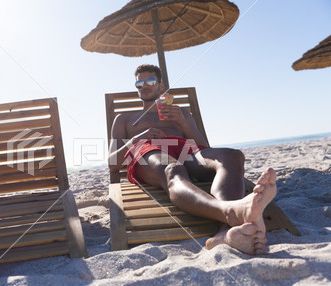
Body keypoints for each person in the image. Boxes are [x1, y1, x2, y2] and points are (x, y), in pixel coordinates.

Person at [108, 64, 277, 255]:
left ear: (161, 86)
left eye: (150, 81)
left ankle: (224, 233)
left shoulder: (181, 113)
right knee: (172, 169)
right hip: (148, 152)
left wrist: (182, 122)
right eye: (139, 81)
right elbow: (113, 163)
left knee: (232, 156)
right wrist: (136, 139)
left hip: (186, 151)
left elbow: (205, 147)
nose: (144, 85)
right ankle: (232, 212)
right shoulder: (124, 119)